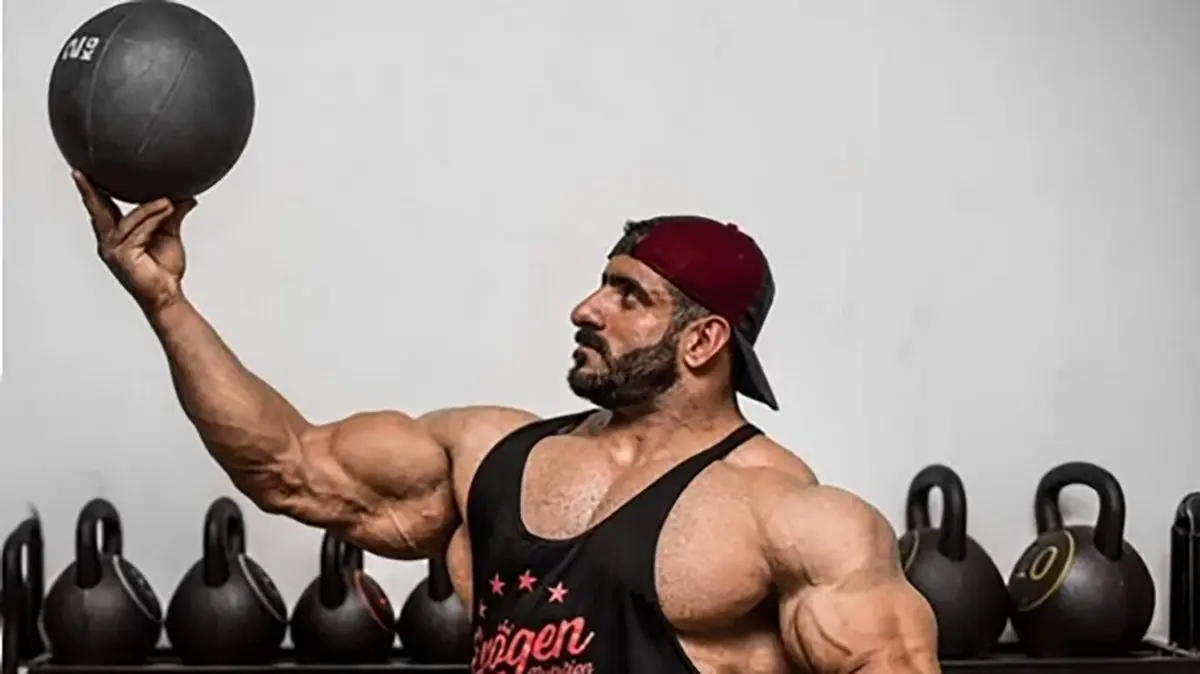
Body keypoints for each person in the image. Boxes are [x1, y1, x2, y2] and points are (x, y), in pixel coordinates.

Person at [74, 171, 939, 673]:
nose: (584, 308)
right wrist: (165, 303)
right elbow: (287, 467)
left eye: (627, 295)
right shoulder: (491, 455)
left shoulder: (792, 517)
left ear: (703, 340)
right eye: (600, 283)